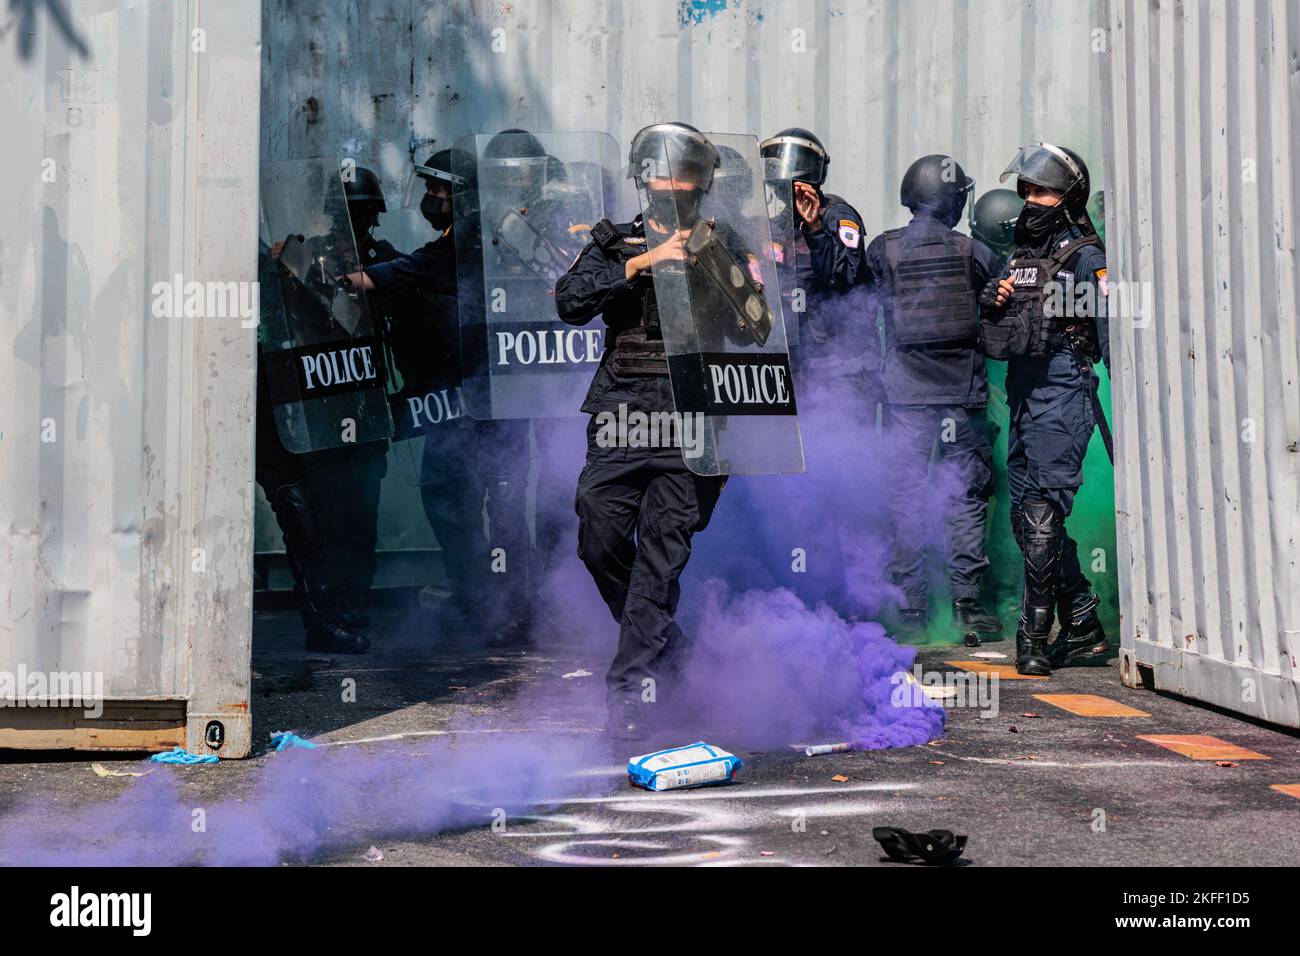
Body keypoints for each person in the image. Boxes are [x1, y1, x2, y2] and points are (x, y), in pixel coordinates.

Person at [555, 122, 731, 741]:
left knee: (661, 561)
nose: (673, 184)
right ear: (643, 177)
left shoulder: (725, 241)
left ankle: (628, 693)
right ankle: (670, 646)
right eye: (662, 173)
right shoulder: (614, 242)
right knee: (598, 539)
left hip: (693, 421)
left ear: (702, 182)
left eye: (685, 175)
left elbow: (761, 331)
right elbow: (569, 302)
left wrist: (744, 279)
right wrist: (640, 263)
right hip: (622, 415)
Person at [346, 149, 529, 645]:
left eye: (438, 190)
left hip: (478, 401)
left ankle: (495, 608)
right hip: (478, 398)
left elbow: (412, 273)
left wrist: (350, 274)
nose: (431, 199)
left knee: (466, 499)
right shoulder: (479, 236)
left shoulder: (470, 238)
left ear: (463, 194)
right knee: (483, 501)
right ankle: (499, 607)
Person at [979, 142, 1111, 675]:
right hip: (1024, 389)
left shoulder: (1087, 256)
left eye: (1043, 191)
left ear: (1067, 196)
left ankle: (1033, 637)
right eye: (1027, 190)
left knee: (1041, 516)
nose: (1031, 199)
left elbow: (1110, 333)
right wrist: (997, 299)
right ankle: (1082, 622)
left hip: (1064, 388)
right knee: (1026, 516)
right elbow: (1008, 323)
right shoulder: (1022, 255)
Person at [861, 154, 1004, 642]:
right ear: (953, 200)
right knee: (966, 497)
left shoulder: (885, 250)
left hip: (905, 399)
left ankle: (913, 612)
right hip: (962, 399)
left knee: (907, 499)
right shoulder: (974, 252)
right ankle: (966, 606)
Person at [254, 166, 396, 654]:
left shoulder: (381, 261)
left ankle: (347, 608)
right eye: (345, 211)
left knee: (356, 516)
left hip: (357, 409)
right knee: (308, 518)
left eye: (360, 213)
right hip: (308, 414)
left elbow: (404, 302)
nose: (352, 223)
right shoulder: (298, 255)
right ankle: (326, 618)